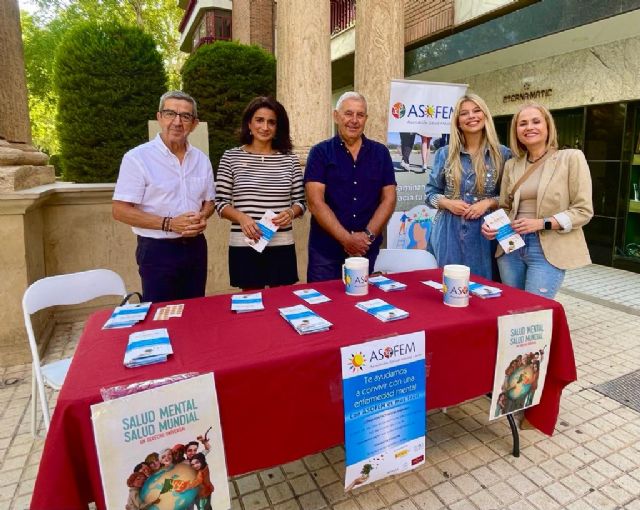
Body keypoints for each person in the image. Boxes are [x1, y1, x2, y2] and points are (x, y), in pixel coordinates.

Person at [482, 102, 593, 298]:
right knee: (512, 306)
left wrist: (541, 223)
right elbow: (505, 207)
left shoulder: (571, 158)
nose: (529, 127)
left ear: (548, 126)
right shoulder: (511, 165)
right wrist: (494, 227)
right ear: (516, 131)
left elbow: (583, 211)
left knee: (535, 309)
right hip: (510, 245)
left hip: (547, 248)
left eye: (536, 121)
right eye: (522, 123)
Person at [113, 90, 215, 302]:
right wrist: (170, 224)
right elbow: (120, 210)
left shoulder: (201, 160)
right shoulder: (137, 158)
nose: (177, 122)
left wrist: (203, 216)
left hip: (195, 247)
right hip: (157, 250)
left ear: (194, 123)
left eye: (185, 116)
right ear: (159, 117)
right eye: (170, 113)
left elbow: (209, 201)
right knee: (161, 315)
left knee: (195, 309)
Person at [214, 96, 305, 290]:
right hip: (245, 244)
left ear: (278, 127)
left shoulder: (289, 160)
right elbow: (220, 203)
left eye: (271, 122)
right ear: (249, 122)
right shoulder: (231, 157)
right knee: (251, 305)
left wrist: (290, 212)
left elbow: (301, 202)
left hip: (282, 243)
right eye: (259, 120)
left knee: (282, 301)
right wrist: (241, 218)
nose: (265, 127)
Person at [305, 91, 397, 281]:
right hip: (325, 253)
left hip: (367, 250)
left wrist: (367, 237)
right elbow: (315, 202)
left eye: (360, 115)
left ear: (366, 119)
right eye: (348, 113)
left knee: (364, 306)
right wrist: (347, 239)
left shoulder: (381, 154)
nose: (354, 120)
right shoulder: (320, 153)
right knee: (323, 306)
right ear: (336, 116)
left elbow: (389, 199)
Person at [425, 93, 511, 280]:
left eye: (477, 110)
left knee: (483, 289)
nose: (471, 116)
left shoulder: (503, 154)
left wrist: (488, 202)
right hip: (448, 231)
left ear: (485, 116)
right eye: (464, 113)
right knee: (446, 285)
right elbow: (430, 193)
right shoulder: (444, 154)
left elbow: (509, 198)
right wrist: (447, 203)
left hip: (486, 233)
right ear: (457, 121)